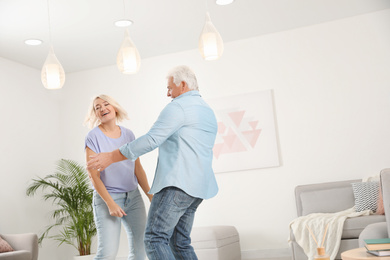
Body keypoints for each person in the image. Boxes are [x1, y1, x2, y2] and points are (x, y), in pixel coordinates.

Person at [86, 65, 219, 260]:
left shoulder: (178, 107)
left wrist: (111, 156)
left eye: (169, 88)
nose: (168, 94)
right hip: (198, 187)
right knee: (180, 243)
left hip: (177, 185)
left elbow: (151, 140)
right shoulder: (207, 110)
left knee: (153, 239)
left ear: (182, 85)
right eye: (98, 107)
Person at [84, 94, 152, 260]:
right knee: (107, 254)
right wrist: (110, 203)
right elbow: (94, 176)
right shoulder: (93, 137)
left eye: (106, 104)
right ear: (95, 114)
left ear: (114, 107)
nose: (102, 109)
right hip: (107, 197)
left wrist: (150, 195)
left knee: (140, 251)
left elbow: (138, 169)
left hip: (133, 197)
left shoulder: (128, 135)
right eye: (97, 107)